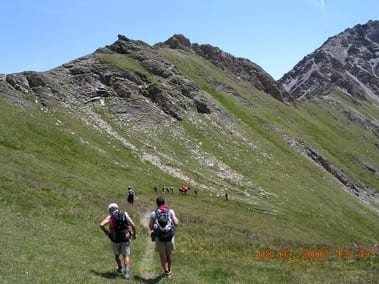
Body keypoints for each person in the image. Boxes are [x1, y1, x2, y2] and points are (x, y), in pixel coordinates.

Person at [99, 203, 137, 279]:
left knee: (117, 255)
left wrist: (106, 232)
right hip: (125, 238)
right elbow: (133, 225)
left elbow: (101, 225)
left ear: (110, 210)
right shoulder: (125, 214)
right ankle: (126, 273)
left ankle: (120, 268)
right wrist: (134, 235)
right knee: (126, 255)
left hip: (115, 239)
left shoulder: (110, 216)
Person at [149, 196, 179, 278]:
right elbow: (176, 222)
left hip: (159, 237)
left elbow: (150, 227)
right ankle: (169, 269)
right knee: (168, 255)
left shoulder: (154, 213)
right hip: (169, 236)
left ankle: (166, 272)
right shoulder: (170, 211)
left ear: (157, 203)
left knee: (162, 256)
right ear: (164, 202)